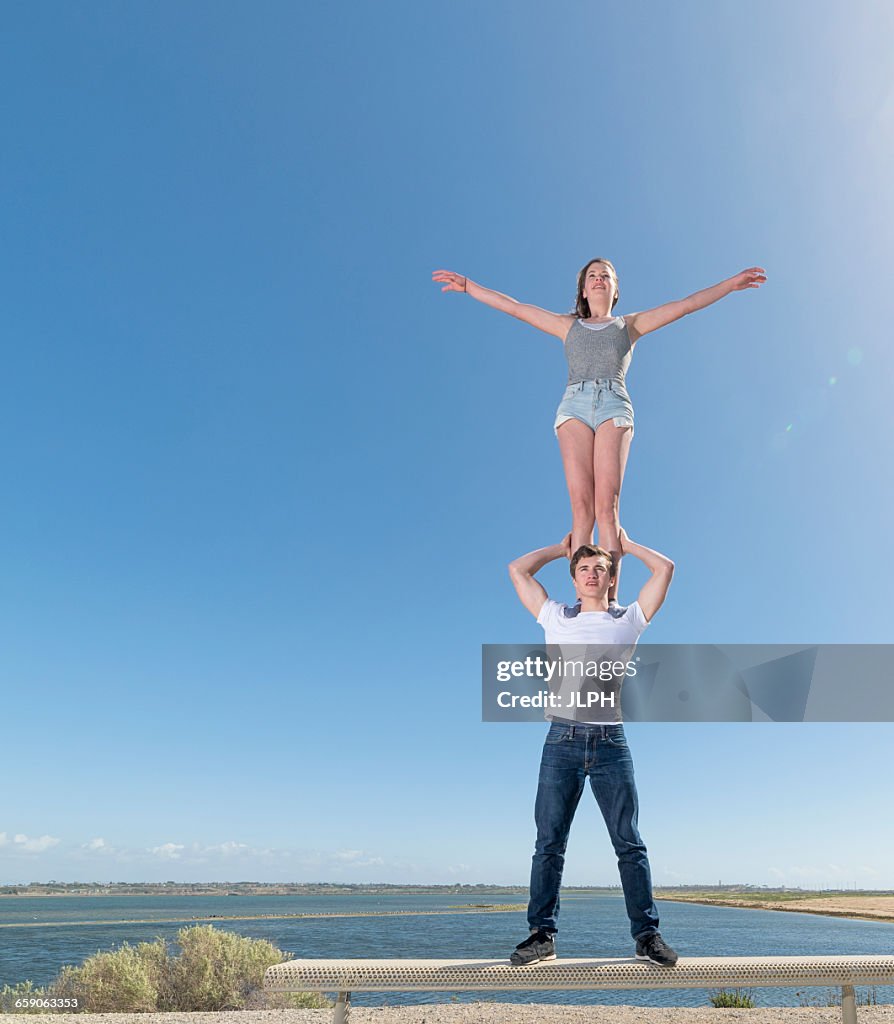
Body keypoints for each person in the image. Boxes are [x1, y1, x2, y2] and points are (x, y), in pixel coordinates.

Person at [433, 260, 765, 601]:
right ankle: (583, 599)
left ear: (615, 289)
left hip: (614, 404)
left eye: (605, 275)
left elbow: (684, 306)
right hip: (574, 405)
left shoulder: (629, 325)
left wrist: (730, 284)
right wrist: (469, 287)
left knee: (607, 507)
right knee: (582, 508)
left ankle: (609, 601)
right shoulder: (567, 326)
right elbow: (516, 308)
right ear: (583, 289)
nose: (598, 279)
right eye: (592, 275)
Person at [506, 526, 677, 966]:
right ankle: (541, 935)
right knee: (549, 843)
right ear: (574, 577)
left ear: (610, 578)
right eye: (582, 569)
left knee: (629, 843)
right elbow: (517, 569)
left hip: (610, 743)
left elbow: (665, 568)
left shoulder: (628, 621)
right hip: (561, 740)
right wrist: (558, 549)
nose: (591, 574)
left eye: (599, 569)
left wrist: (628, 544)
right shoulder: (555, 616)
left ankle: (647, 936)